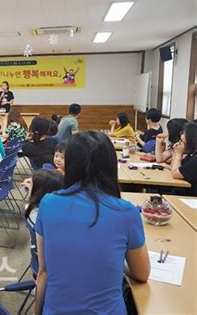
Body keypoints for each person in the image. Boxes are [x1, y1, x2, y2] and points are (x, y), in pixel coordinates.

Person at [34, 131, 150, 314]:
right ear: (111, 165)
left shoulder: (48, 203)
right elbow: (142, 274)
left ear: (71, 164)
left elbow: (43, 272)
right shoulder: (126, 212)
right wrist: (115, 260)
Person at [170, 121, 197, 196]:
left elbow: (175, 173)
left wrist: (178, 154)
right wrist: (176, 152)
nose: (181, 136)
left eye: (184, 133)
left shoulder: (195, 159)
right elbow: (174, 169)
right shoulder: (191, 155)